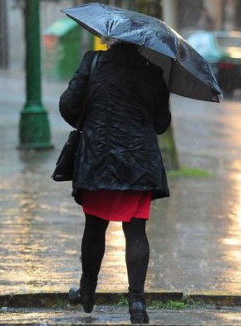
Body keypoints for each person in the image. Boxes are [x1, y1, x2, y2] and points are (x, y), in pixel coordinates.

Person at [58, 37, 171, 324]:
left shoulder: (92, 62)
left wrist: (93, 120)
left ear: (110, 39)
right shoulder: (153, 71)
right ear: (142, 43)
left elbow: (68, 105)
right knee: (136, 232)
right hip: (139, 162)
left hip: (98, 158)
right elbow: (161, 124)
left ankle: (87, 292)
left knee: (94, 228)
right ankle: (136, 303)